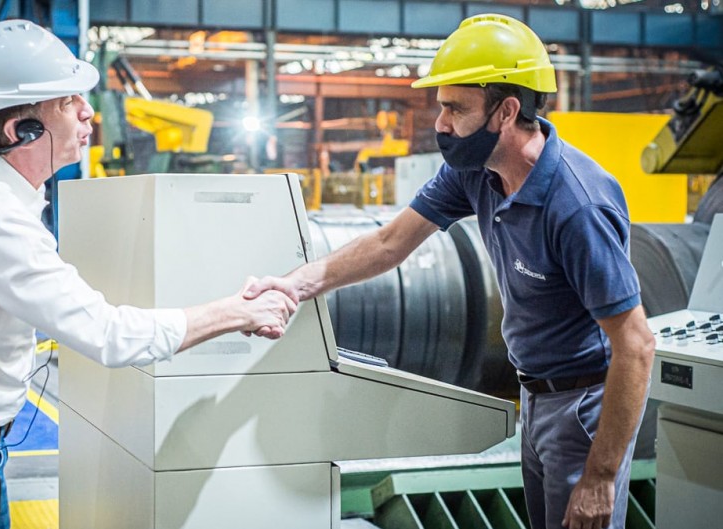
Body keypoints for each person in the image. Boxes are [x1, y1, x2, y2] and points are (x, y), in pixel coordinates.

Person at [0, 19, 296, 529]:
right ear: (22, 131)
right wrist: (238, 311)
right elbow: (110, 336)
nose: (88, 111)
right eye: (69, 101)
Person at [245, 14, 655, 529]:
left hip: (585, 407)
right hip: (534, 396)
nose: (440, 123)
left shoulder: (575, 205)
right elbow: (390, 243)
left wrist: (601, 476)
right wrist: (295, 284)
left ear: (506, 111)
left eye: (455, 108)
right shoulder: (477, 172)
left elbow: (636, 345)